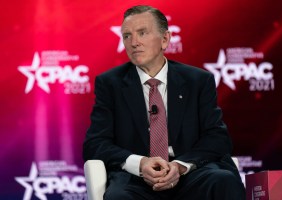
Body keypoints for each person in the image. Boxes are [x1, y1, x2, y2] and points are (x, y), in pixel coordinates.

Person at [83, 5, 246, 200]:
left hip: (190, 174)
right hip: (136, 180)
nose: (133, 42)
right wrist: (141, 163)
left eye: (142, 33)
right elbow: (96, 143)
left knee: (223, 180)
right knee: (118, 196)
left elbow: (217, 137)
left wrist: (179, 166)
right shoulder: (110, 83)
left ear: (165, 39)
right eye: (126, 36)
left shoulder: (198, 80)